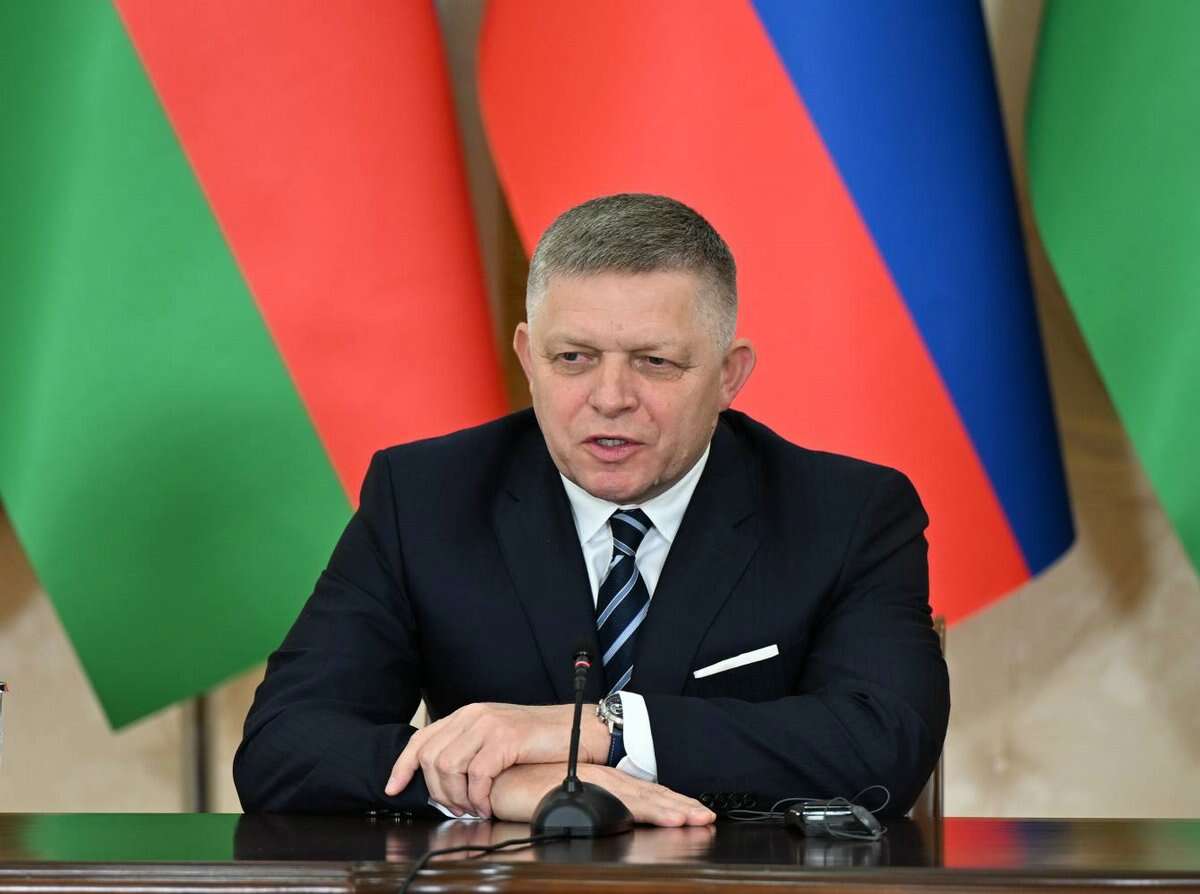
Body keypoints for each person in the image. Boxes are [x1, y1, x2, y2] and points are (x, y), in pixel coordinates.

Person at [234, 193, 949, 824]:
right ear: (528, 357)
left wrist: (602, 732)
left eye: (654, 362)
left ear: (729, 375)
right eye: (573, 358)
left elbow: (883, 745)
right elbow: (284, 746)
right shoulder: (425, 497)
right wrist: (508, 786)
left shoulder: (847, 514)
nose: (610, 398)